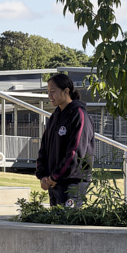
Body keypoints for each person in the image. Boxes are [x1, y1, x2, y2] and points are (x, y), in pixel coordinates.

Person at [36, 72, 95, 207]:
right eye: (48, 92)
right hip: (54, 183)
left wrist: (54, 177)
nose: (49, 96)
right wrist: (43, 176)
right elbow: (44, 147)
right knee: (56, 224)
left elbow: (75, 152)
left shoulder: (78, 115)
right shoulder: (55, 116)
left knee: (67, 224)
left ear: (66, 91)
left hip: (72, 182)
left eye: (53, 91)